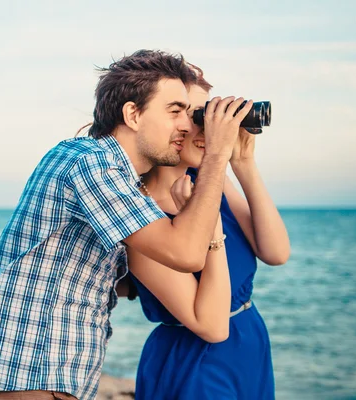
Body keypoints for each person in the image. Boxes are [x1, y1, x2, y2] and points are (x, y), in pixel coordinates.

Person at [0, 50, 253, 400]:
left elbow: (103, 278)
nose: (188, 126)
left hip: (46, 374)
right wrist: (218, 155)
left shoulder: (120, 183)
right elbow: (186, 253)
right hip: (28, 373)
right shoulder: (89, 163)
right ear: (132, 114)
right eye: (175, 111)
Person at [122, 65, 291, 399]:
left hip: (248, 340)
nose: (204, 128)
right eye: (193, 115)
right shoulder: (140, 212)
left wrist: (242, 162)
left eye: (206, 114)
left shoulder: (210, 184)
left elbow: (276, 252)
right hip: (194, 358)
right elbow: (205, 324)